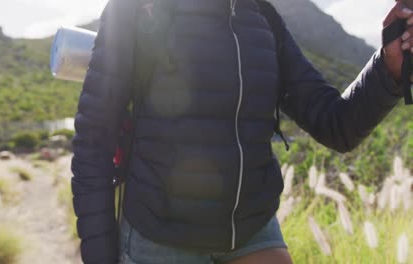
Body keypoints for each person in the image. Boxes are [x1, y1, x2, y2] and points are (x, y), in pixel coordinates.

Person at [71, 0, 410, 263]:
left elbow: (336, 125)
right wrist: (100, 255)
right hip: (160, 236)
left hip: (252, 228)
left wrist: (389, 65)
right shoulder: (137, 9)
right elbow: (93, 140)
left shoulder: (262, 18)